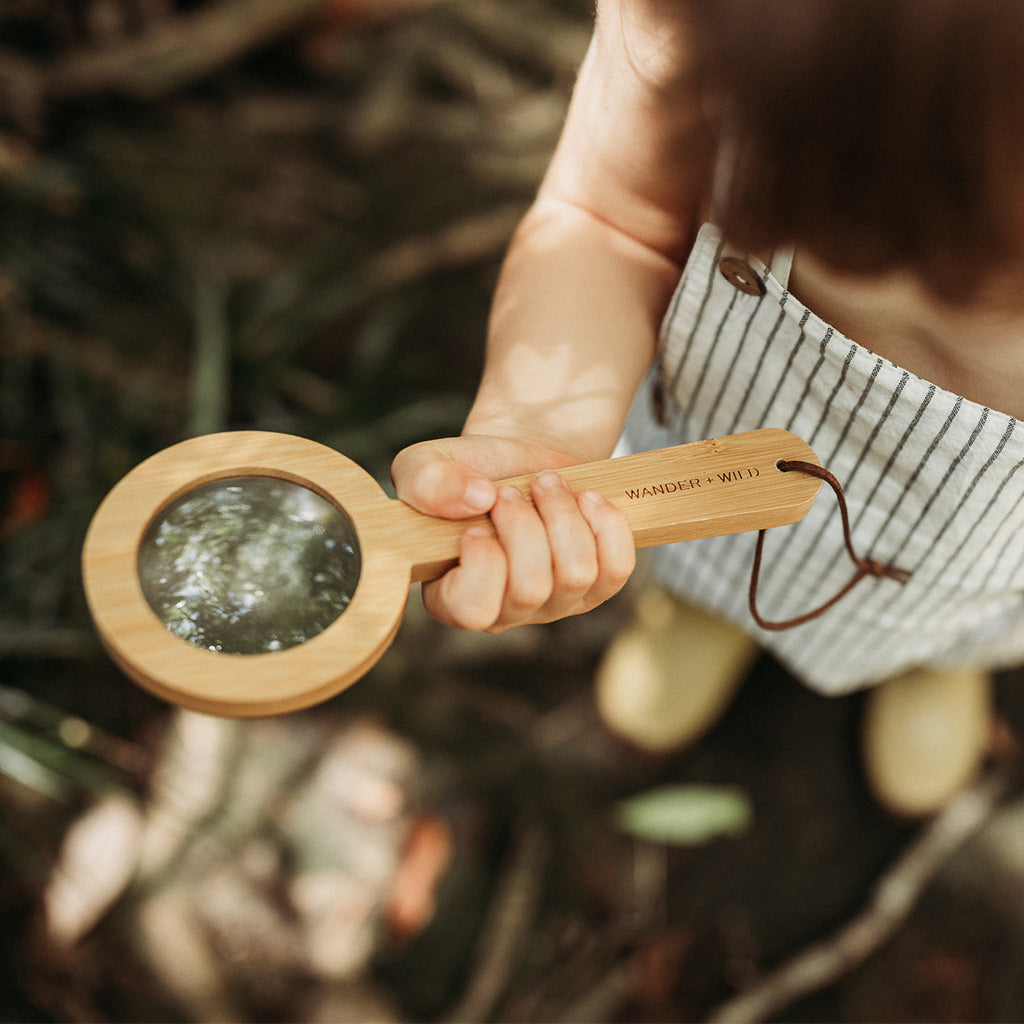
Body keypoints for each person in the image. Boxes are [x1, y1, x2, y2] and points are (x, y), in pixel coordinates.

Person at [391, 0, 1024, 816]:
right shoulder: (696, 16)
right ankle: (704, 606)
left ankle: (938, 662)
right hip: (701, 472)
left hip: (981, 563)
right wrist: (538, 427)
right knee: (704, 559)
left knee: (965, 615)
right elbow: (610, 215)